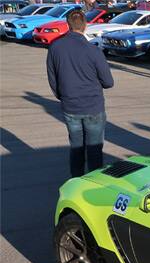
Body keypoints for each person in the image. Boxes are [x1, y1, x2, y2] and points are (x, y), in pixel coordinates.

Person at [46, 10, 114, 177]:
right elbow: (108, 82)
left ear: (68, 25)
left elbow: (52, 79)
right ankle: (94, 183)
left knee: (76, 148)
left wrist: (62, 96)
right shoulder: (93, 51)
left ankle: (75, 182)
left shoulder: (55, 48)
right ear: (85, 26)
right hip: (93, 107)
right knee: (94, 150)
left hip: (70, 107)